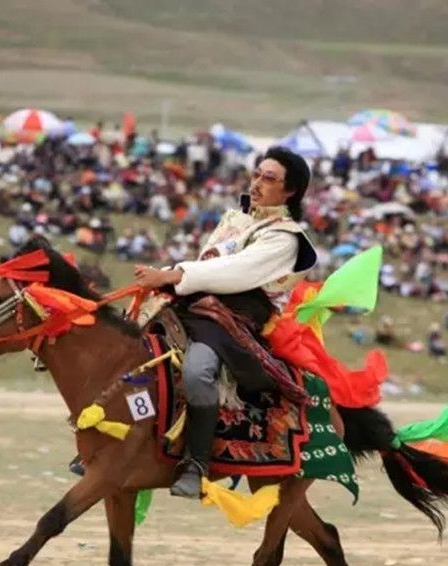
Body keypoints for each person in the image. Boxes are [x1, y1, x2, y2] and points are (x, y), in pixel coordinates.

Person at [134, 146, 317, 498]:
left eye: (269, 178)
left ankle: (196, 463)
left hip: (232, 319)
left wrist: (173, 274)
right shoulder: (236, 219)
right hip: (196, 302)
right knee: (132, 345)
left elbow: (235, 272)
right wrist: (166, 276)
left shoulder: (285, 237)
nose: (257, 183)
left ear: (290, 191)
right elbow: (209, 262)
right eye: (256, 174)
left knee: (196, 373)